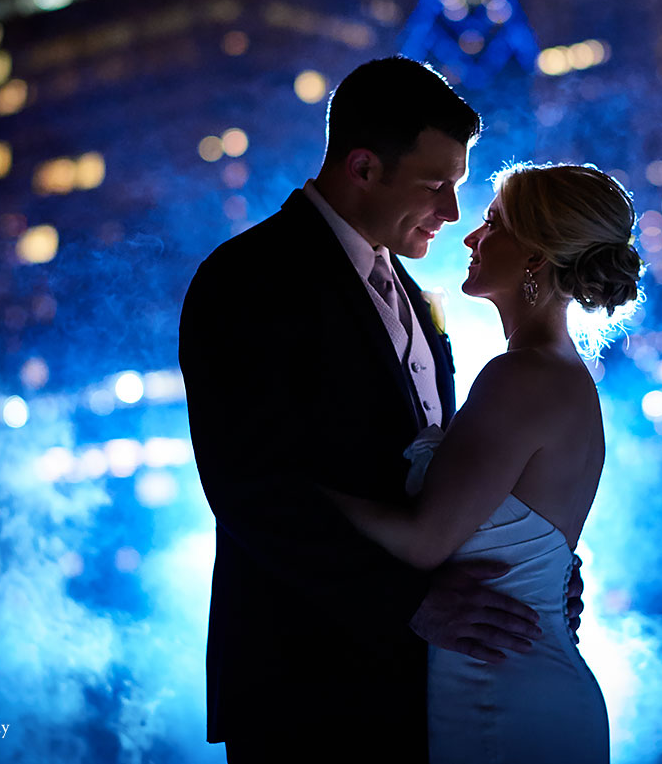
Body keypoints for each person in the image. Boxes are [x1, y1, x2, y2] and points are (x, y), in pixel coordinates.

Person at [179, 56, 554, 763]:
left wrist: (531, 566)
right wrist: (409, 603)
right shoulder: (245, 278)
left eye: (460, 188)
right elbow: (248, 488)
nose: (452, 213)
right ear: (362, 167)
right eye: (436, 185)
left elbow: (436, 478)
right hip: (300, 685)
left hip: (417, 684)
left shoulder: (417, 296)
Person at [325, 162, 641, 763]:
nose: (470, 236)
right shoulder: (562, 376)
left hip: (501, 693)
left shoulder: (520, 375)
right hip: (515, 681)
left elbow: (423, 543)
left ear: (535, 258)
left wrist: (301, 489)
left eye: (492, 224)